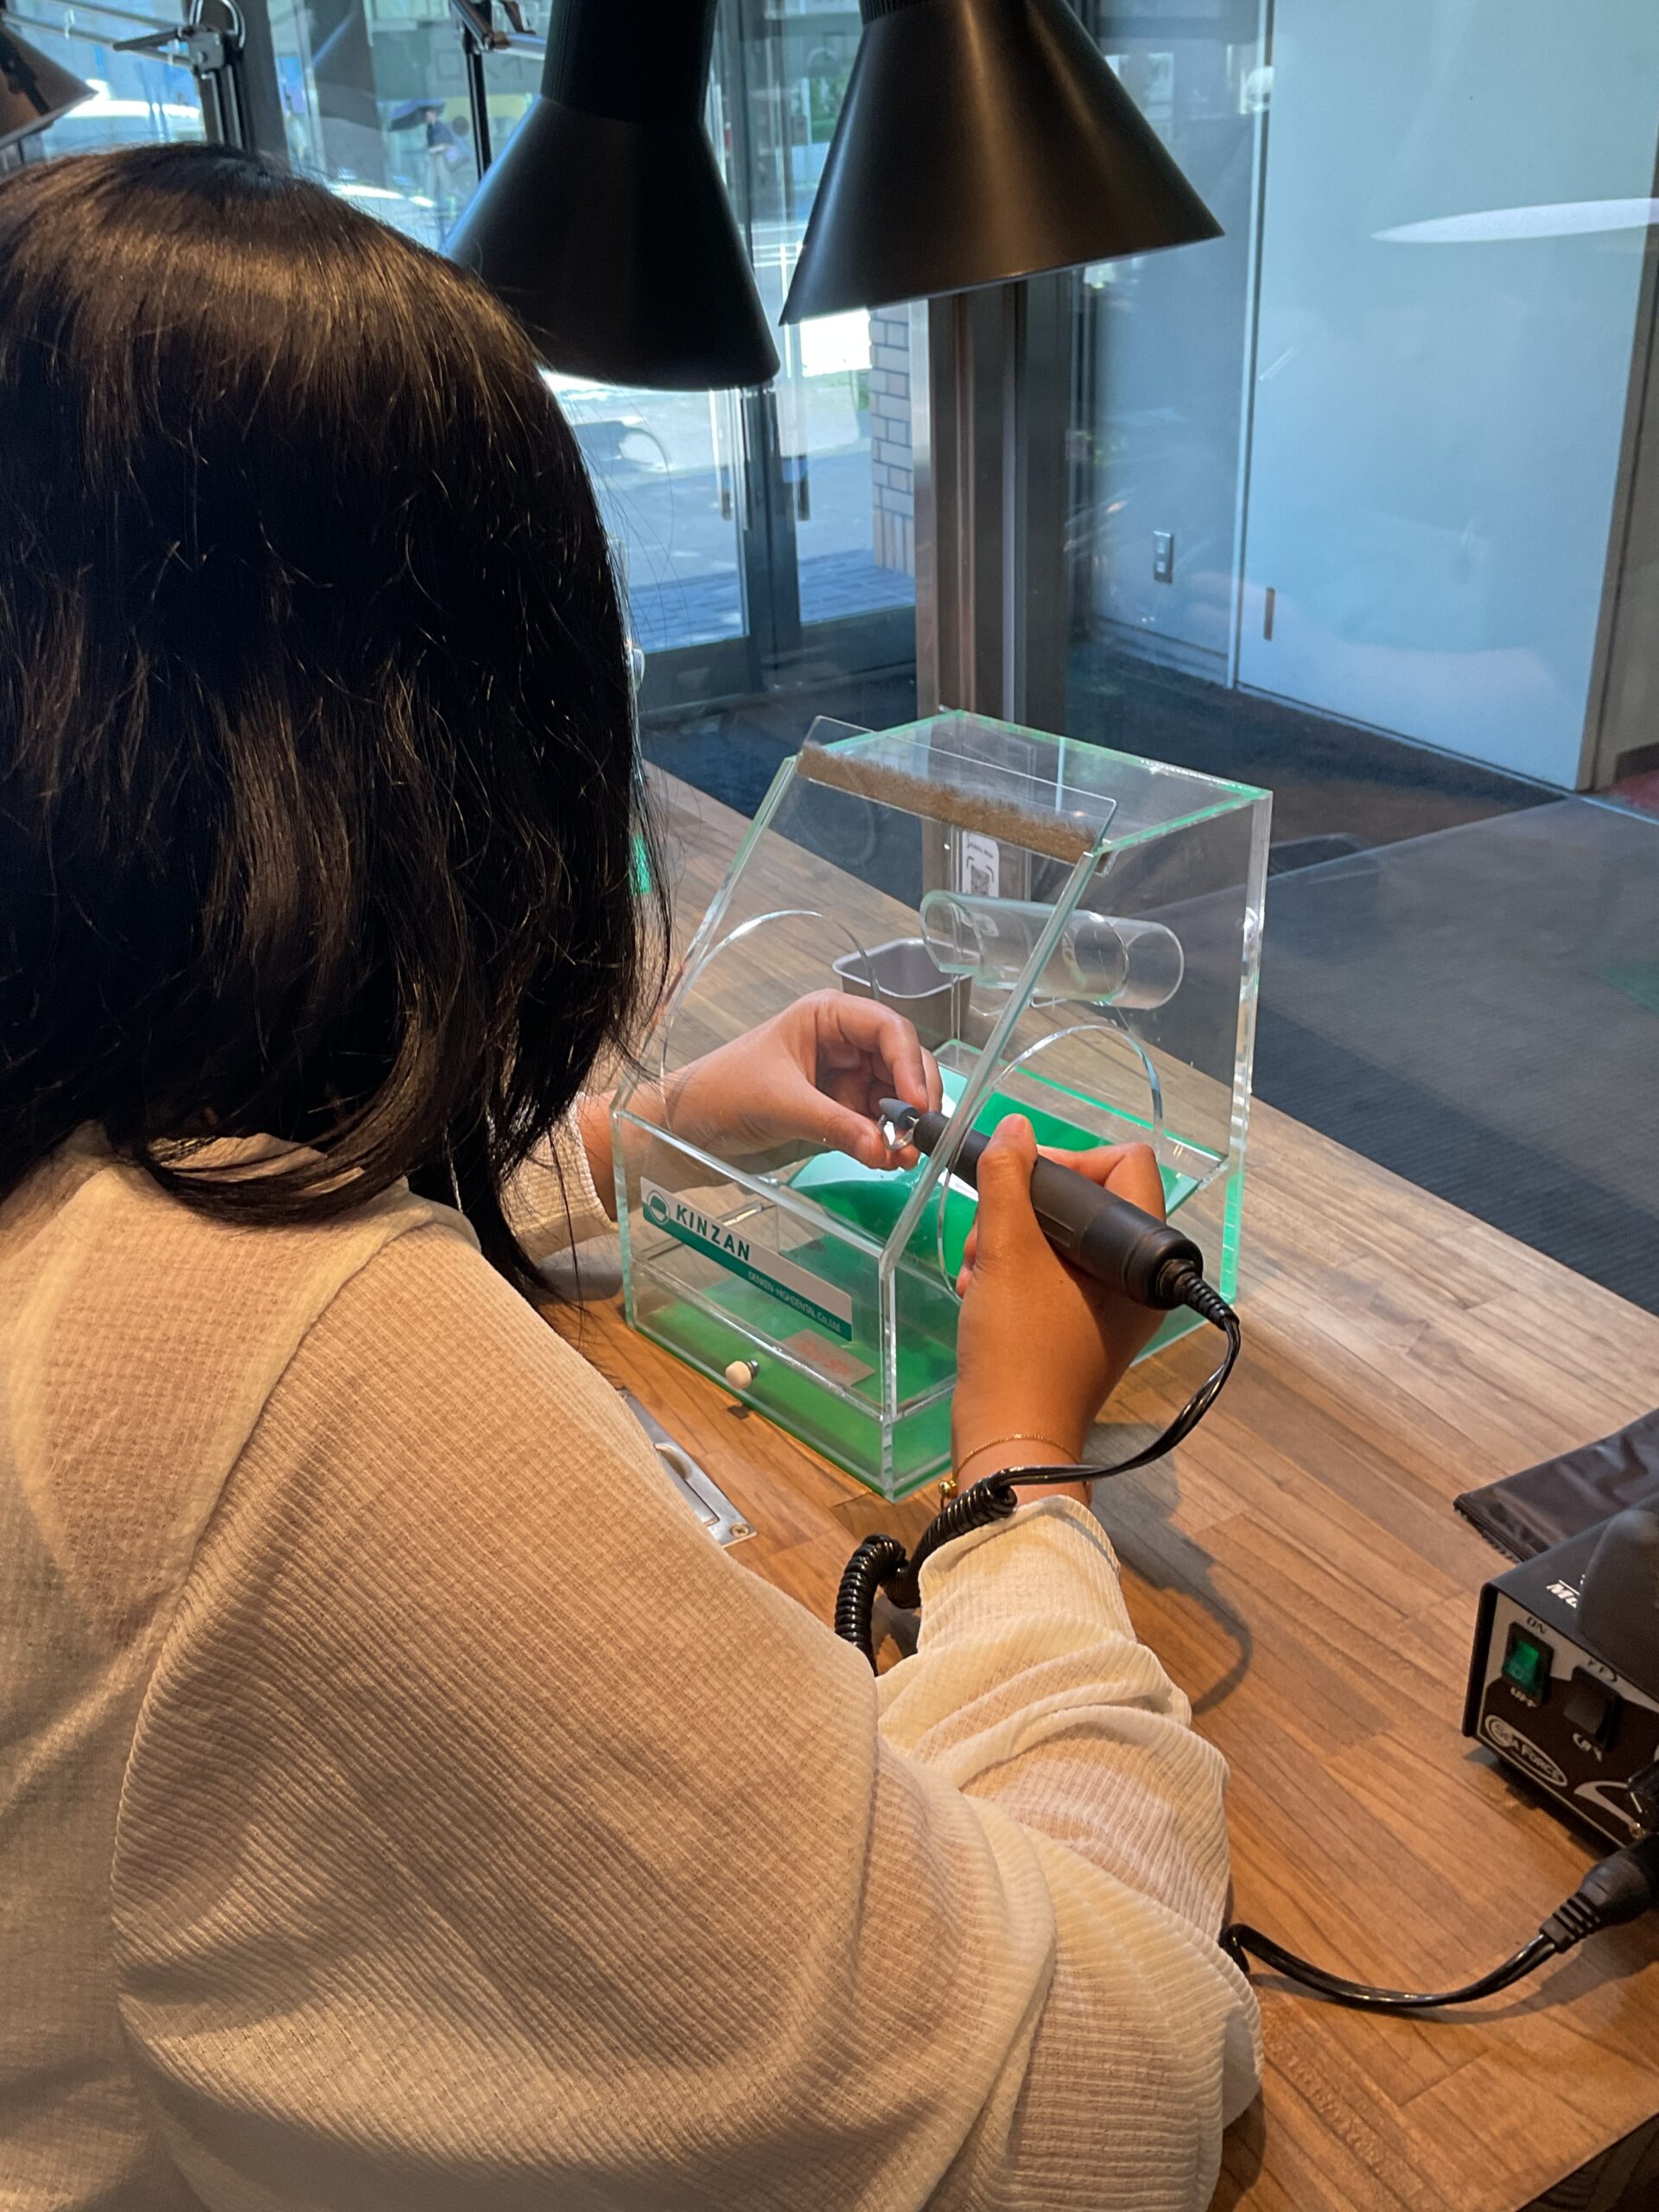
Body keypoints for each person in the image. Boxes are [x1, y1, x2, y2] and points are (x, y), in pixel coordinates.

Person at [0, 146, 1259, 2212]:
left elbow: (180, 1231)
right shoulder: (278, 1378)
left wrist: (652, 1134)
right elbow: (1087, 2106)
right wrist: (1026, 1473)